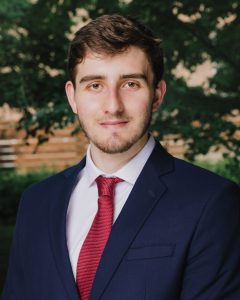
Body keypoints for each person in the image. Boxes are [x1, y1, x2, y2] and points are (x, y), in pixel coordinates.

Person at [2, 14, 240, 300]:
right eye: (94, 85)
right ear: (72, 97)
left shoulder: (211, 202)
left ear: (157, 95)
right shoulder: (36, 203)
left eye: (130, 84)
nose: (112, 106)